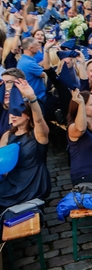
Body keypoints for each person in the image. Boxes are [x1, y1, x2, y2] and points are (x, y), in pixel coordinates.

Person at [0, 79, 51, 211]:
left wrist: (32, 99)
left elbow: (39, 119)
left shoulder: (38, 135)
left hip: (32, 183)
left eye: (17, 113)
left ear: (28, 115)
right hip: (11, 182)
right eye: (11, 113)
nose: (13, 116)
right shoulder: (7, 135)